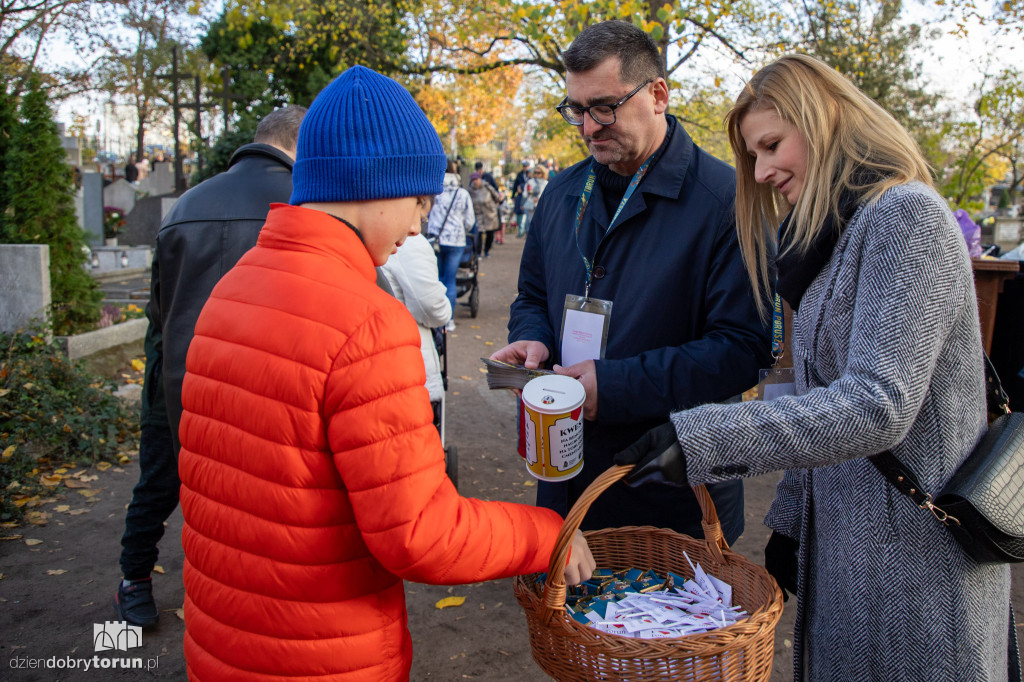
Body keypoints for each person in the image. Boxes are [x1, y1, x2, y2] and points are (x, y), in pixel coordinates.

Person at [176, 65, 593, 681]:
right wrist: (545, 533)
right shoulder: (367, 320)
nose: (419, 223)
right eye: (418, 200)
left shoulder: (235, 286)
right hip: (324, 653)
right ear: (376, 183)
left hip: (227, 639)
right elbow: (419, 533)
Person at [613, 54, 1018, 681]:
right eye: (752, 156)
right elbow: (814, 395)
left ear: (823, 118)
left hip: (916, 568)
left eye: (772, 145)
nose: (764, 170)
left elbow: (875, 404)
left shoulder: (904, 216)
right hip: (849, 555)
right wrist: (790, 523)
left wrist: (704, 435)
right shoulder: (829, 240)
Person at [489, 20, 770, 541]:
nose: (588, 127)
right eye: (575, 108)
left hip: (670, 491)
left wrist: (614, 385)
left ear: (657, 94)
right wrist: (531, 338)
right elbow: (532, 294)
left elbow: (743, 348)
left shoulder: (726, 203)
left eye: (604, 107)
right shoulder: (561, 193)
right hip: (564, 479)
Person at [113, 106, 306, 628]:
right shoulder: (301, 205)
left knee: (157, 483)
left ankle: (134, 581)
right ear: (299, 145)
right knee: (257, 499)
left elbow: (158, 307)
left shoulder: (187, 205)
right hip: (263, 383)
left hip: (175, 378)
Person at [381, 195, 452, 421]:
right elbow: (430, 305)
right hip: (409, 358)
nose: (416, 227)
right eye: (423, 217)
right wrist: (445, 311)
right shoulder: (410, 242)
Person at [427, 159, 475, 330]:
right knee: (450, 280)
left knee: (437, 279)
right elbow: (470, 221)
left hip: (436, 239)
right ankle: (449, 319)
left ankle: (436, 320)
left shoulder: (434, 190)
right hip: (456, 240)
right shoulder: (462, 193)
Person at [468, 171, 502, 258]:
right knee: (478, 235)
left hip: (490, 214)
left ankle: (487, 250)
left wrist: (498, 200)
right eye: (473, 180)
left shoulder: (487, 187)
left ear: (480, 179)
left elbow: (497, 197)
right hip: (478, 215)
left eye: (476, 179)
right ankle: (478, 253)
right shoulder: (470, 190)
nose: (474, 181)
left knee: (490, 235)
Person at [520, 165, 548, 236]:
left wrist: (539, 198)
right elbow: (525, 194)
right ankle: (530, 236)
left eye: (538, 172)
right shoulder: (530, 182)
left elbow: (546, 194)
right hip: (530, 204)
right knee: (530, 221)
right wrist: (522, 204)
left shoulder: (545, 183)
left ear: (542, 173)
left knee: (541, 222)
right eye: (535, 172)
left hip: (541, 204)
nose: (536, 174)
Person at [513, 160, 531, 237]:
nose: (525, 168)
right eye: (524, 166)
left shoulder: (532, 175)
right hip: (521, 196)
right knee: (520, 213)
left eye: (526, 166)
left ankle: (527, 232)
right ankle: (521, 230)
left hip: (529, 197)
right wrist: (513, 195)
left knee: (528, 216)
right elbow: (515, 185)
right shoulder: (520, 175)